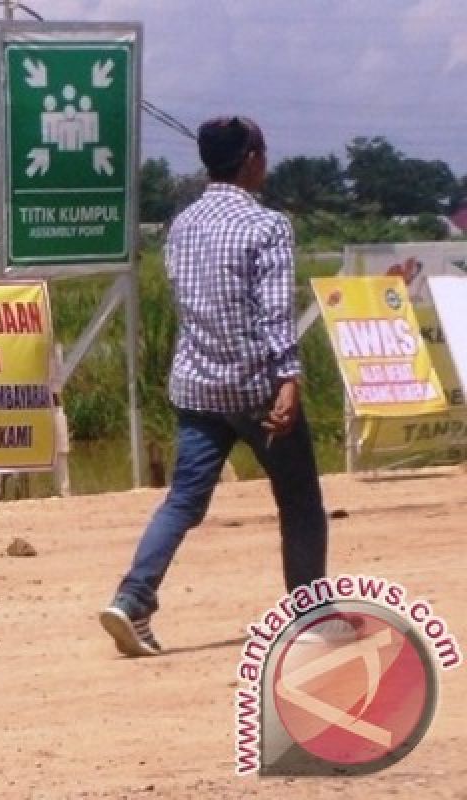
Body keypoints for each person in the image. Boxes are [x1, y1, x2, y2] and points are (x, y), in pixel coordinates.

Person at [99, 115, 328, 657]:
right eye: (264, 151)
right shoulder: (267, 226)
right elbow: (274, 312)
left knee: (182, 502)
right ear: (250, 158)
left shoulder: (182, 225)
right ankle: (308, 617)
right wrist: (288, 378)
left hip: (199, 389)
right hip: (255, 388)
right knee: (300, 501)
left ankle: (133, 600)